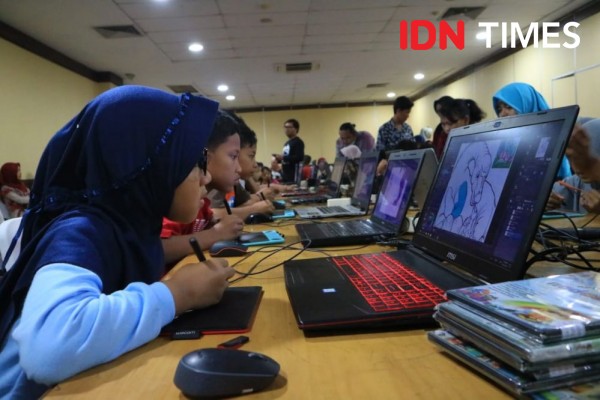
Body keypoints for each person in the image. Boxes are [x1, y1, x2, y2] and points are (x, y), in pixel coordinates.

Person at [0, 86, 235, 398]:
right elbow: (48, 350)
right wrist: (178, 294)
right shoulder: (82, 231)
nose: (206, 178)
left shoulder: (133, 227)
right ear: (149, 165)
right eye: (194, 162)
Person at [160, 112, 245, 266]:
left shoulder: (202, 203)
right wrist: (216, 234)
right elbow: (158, 248)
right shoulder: (178, 202)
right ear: (205, 158)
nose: (239, 168)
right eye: (233, 156)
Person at [493, 82, 572, 180]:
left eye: (508, 107)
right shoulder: (506, 141)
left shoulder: (552, 134)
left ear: (528, 103)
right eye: (499, 109)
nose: (502, 114)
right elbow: (498, 176)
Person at [273, 118, 305, 183]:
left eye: (289, 127)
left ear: (296, 129)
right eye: (285, 127)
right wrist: (277, 160)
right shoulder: (287, 143)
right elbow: (286, 158)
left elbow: (299, 157)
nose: (286, 129)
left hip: (294, 176)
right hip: (285, 174)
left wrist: (283, 157)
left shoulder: (298, 142)